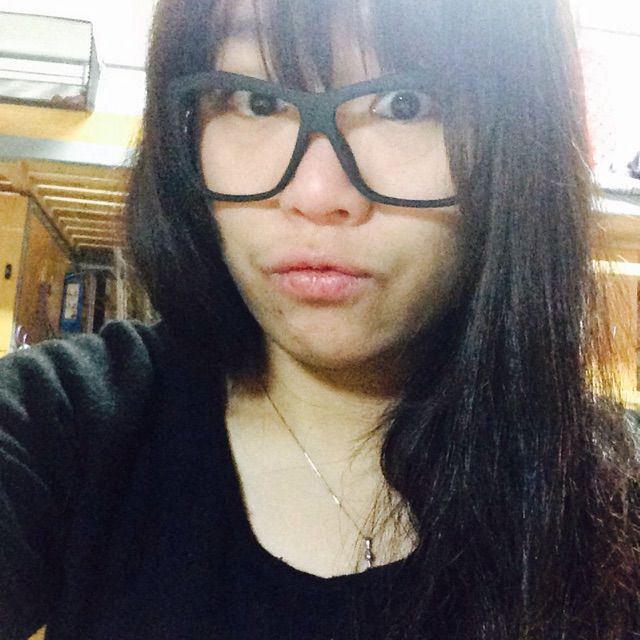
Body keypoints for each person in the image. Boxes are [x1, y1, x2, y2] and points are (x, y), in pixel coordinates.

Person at [1, 0, 639, 638]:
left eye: (406, 104)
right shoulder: (65, 424)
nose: (314, 194)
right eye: (256, 101)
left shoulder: (618, 505)